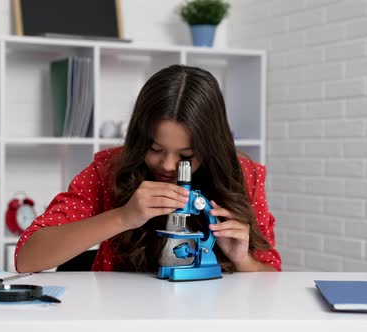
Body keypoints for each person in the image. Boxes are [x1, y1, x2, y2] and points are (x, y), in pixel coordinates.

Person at [15, 64, 281, 273]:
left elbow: (271, 278)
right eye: (154, 149)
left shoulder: (245, 175)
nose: (166, 165)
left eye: (186, 155)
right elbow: (27, 257)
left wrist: (243, 260)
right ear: (139, 137)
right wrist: (123, 217)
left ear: (210, 147)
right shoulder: (108, 170)